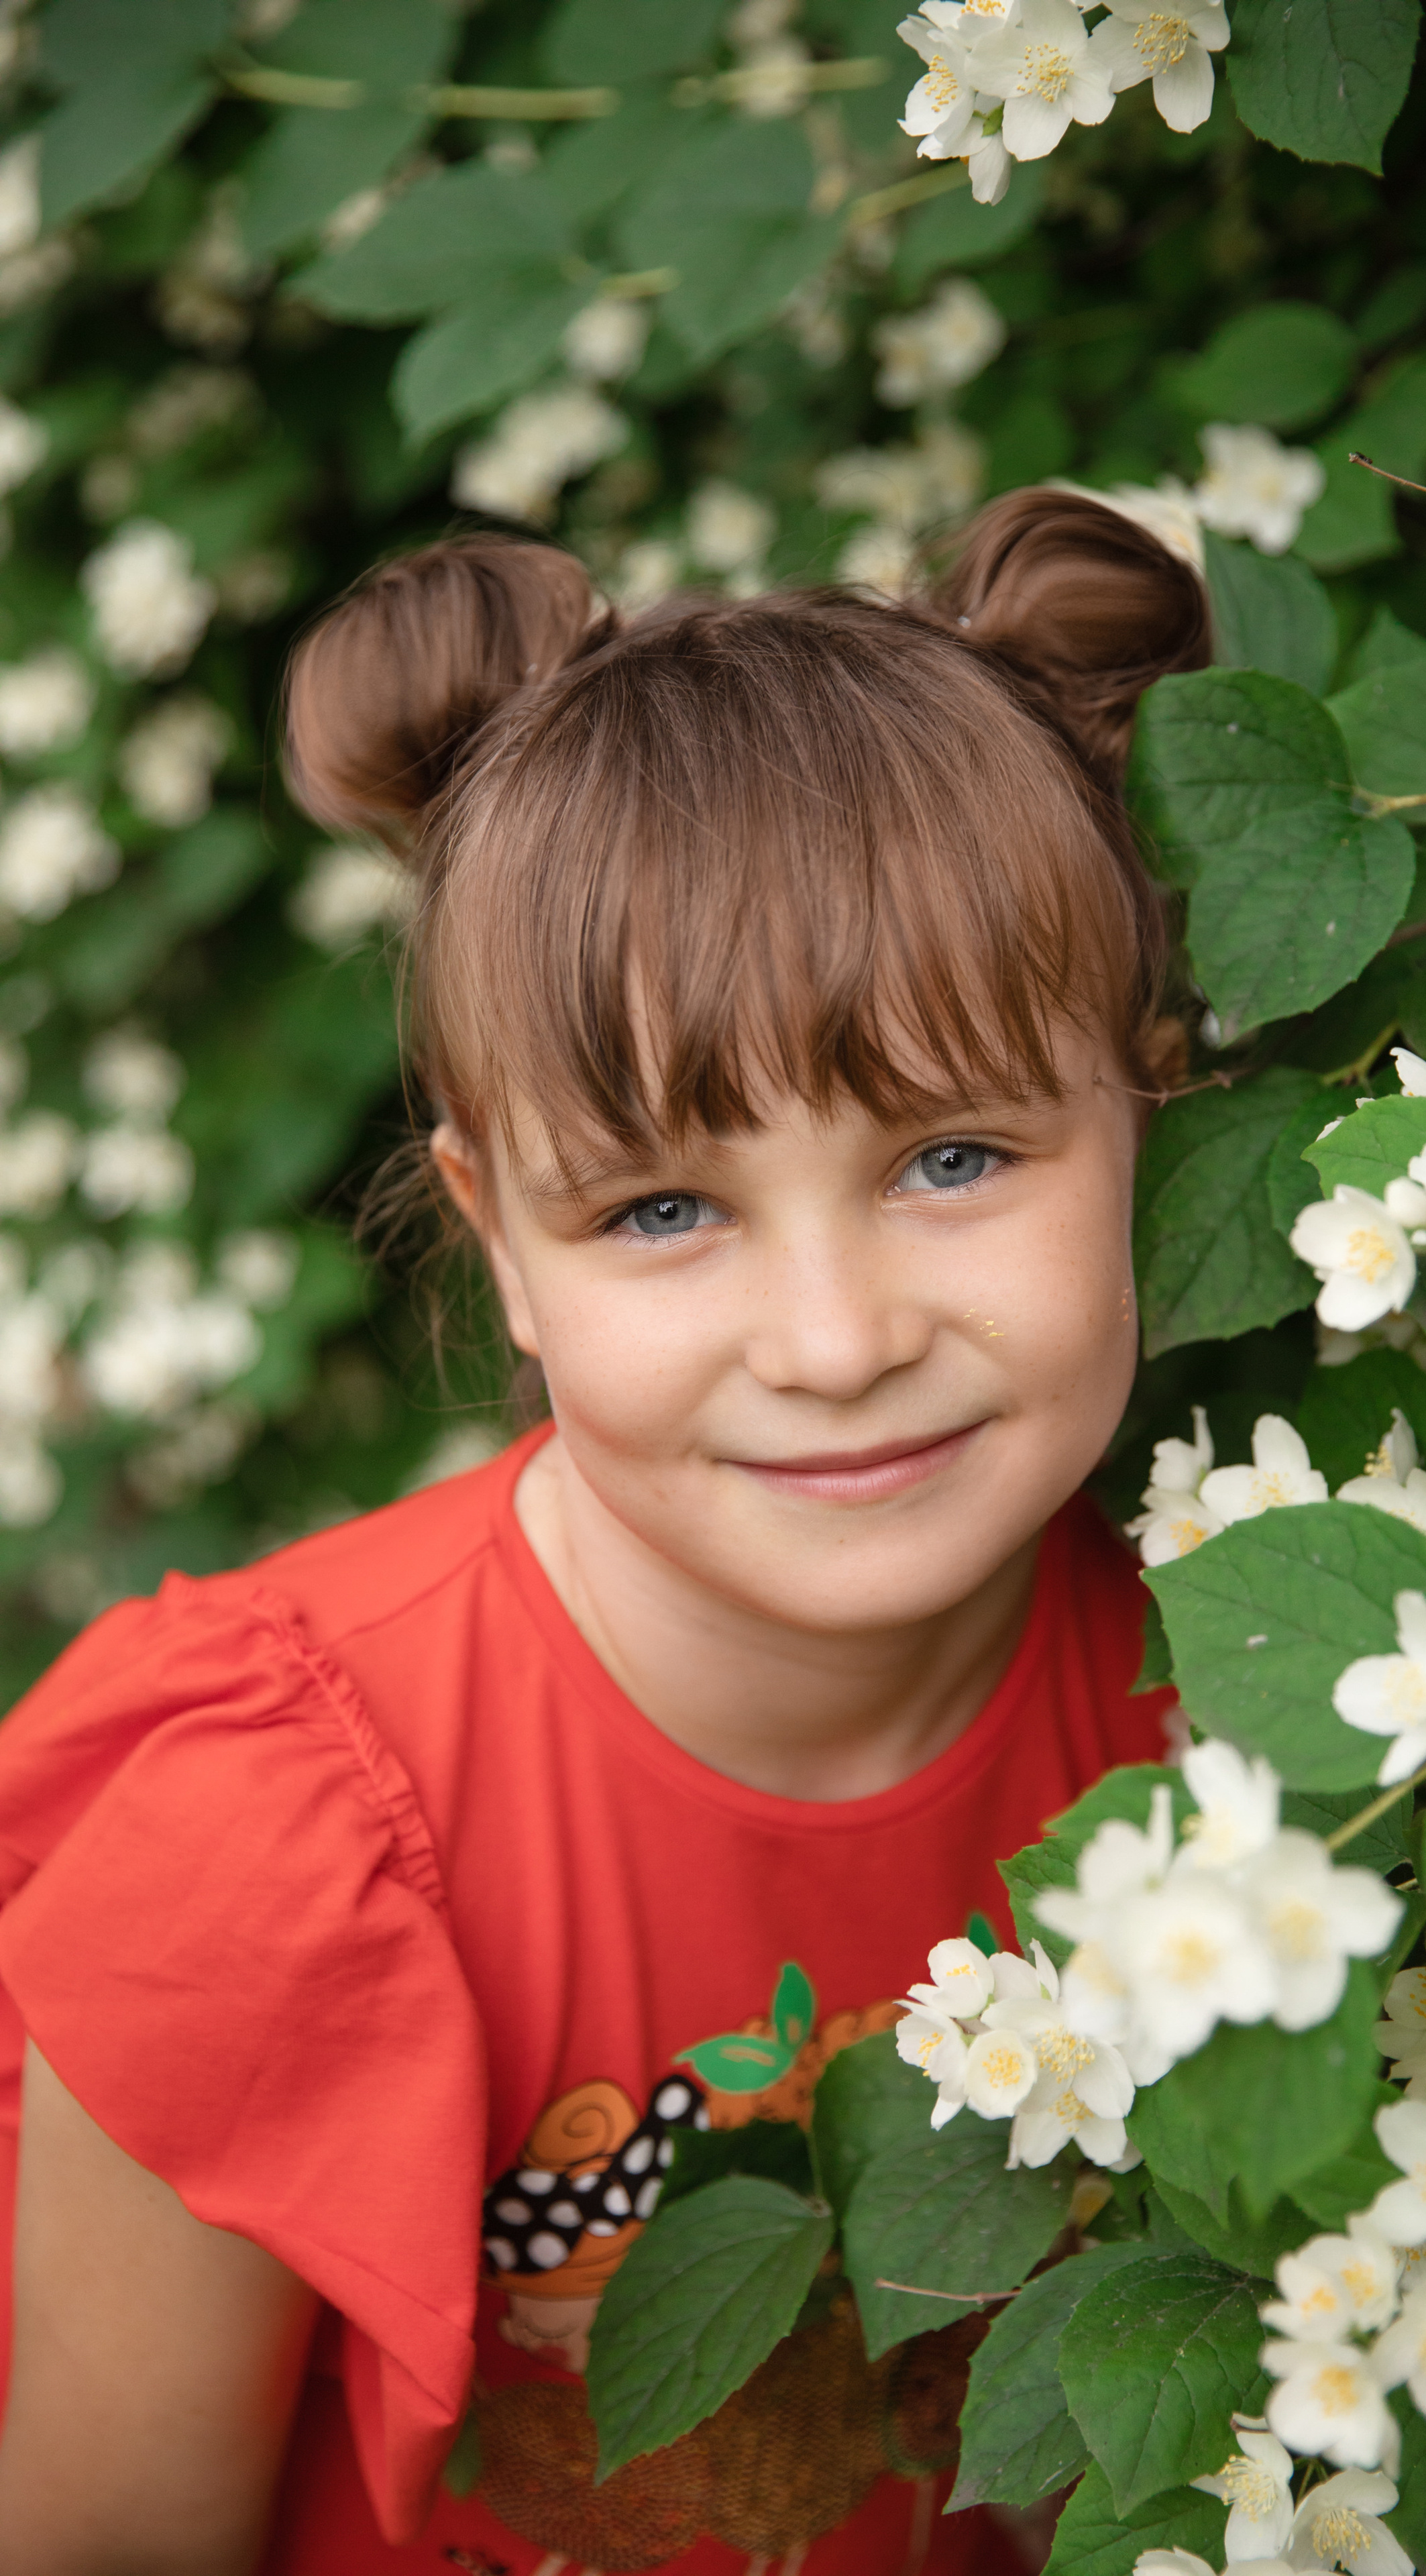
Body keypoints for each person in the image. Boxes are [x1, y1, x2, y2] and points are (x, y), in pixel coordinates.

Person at [0, 486, 1208, 2575]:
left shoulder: (1258, 1692)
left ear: (1153, 1111)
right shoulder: (270, 1849)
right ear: (500, 1241)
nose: (833, 1344)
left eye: (953, 1155)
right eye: (662, 1210)